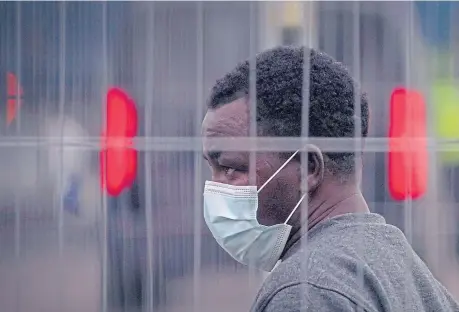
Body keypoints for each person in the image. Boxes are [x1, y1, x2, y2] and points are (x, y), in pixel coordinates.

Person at [201, 46, 459, 311]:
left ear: (308, 168)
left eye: (231, 168)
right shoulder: (398, 265)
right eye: (212, 168)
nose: (216, 188)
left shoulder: (306, 292)